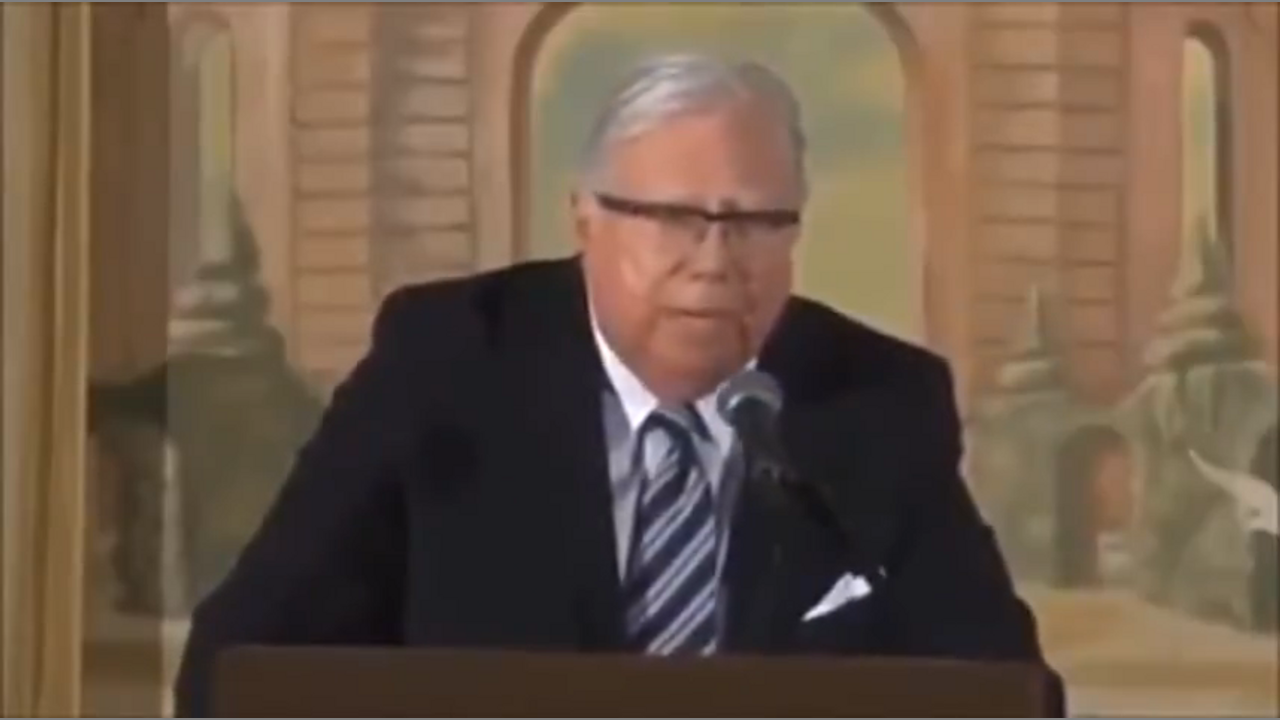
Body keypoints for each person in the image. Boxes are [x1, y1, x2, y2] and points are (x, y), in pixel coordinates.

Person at [174, 53, 1063, 716]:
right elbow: (240, 663)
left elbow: (1006, 693)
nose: (716, 261)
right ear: (587, 218)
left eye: (758, 222)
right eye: (675, 219)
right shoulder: (445, 366)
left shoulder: (876, 403)